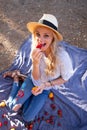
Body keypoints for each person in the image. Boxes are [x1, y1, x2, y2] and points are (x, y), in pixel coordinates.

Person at [0, 14, 74, 122]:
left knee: (27, 117)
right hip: (32, 80)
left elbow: (65, 78)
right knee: (13, 106)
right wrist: (35, 63)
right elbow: (35, 76)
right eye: (38, 34)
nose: (40, 39)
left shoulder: (62, 57)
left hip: (46, 88)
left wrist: (45, 85)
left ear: (53, 37)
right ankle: (16, 79)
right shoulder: (35, 47)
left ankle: (22, 84)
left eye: (46, 36)